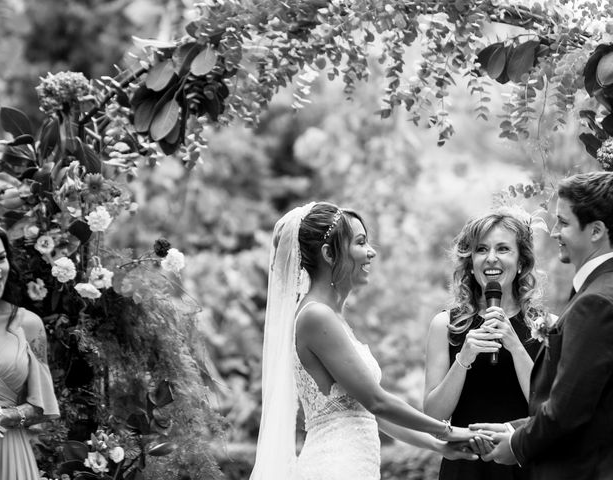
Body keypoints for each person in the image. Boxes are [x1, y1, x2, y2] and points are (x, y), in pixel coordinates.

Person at [250, 202, 483, 480]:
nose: (371, 251)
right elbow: (377, 401)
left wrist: (437, 445)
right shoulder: (317, 316)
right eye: (360, 243)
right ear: (328, 254)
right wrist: (450, 430)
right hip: (335, 467)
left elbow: (374, 413)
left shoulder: (332, 318)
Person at [476, 172, 613, 479]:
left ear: (596, 231)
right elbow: (596, 404)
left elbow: (568, 410)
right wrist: (515, 428)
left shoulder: (597, 303)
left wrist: (517, 444)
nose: (553, 232)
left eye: (563, 222)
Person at [423, 208, 553, 480]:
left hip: (526, 465)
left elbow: (550, 410)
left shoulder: (548, 326)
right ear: (470, 262)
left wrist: (515, 346)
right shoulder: (445, 325)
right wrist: (464, 358)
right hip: (466, 466)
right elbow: (434, 416)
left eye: (503, 249)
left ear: (520, 262)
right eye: (481, 249)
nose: (491, 258)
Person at [0, 217, 59, 479]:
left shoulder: (28, 324)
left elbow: (41, 408)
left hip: (10, 456)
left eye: (1, 258)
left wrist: (0, 417)